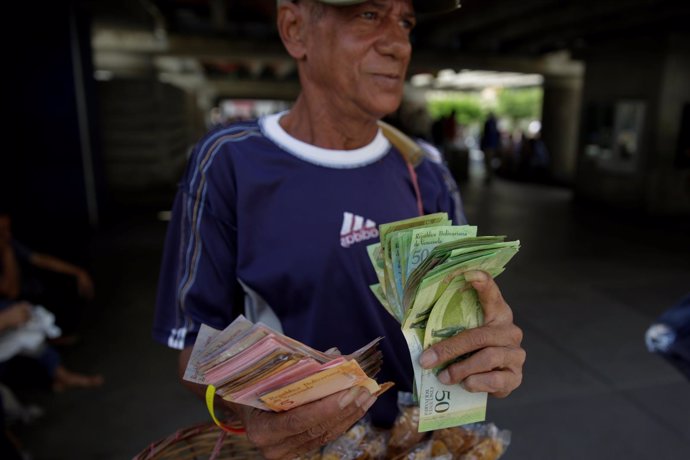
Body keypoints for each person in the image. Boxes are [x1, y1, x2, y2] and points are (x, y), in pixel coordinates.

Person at [153, 1, 525, 458]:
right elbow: (193, 347)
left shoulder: (424, 169)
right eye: (367, 14)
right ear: (295, 29)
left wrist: (487, 351)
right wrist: (248, 411)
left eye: (406, 20)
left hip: (413, 443)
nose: (397, 43)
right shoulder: (230, 162)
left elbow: (462, 318)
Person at [0, 212, 95, 340]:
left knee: (60, 280)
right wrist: (7, 252)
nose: (8, 235)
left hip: (28, 290)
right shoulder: (6, 247)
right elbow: (12, 291)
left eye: (8, 229)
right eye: (2, 231)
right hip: (11, 307)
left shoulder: (9, 242)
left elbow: (38, 259)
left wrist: (78, 272)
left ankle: (57, 333)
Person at [480, 112, 500, 183]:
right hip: (492, 146)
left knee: (487, 162)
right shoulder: (495, 124)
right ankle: (490, 176)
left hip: (488, 145)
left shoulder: (488, 123)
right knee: (490, 162)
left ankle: (489, 176)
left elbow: (484, 135)